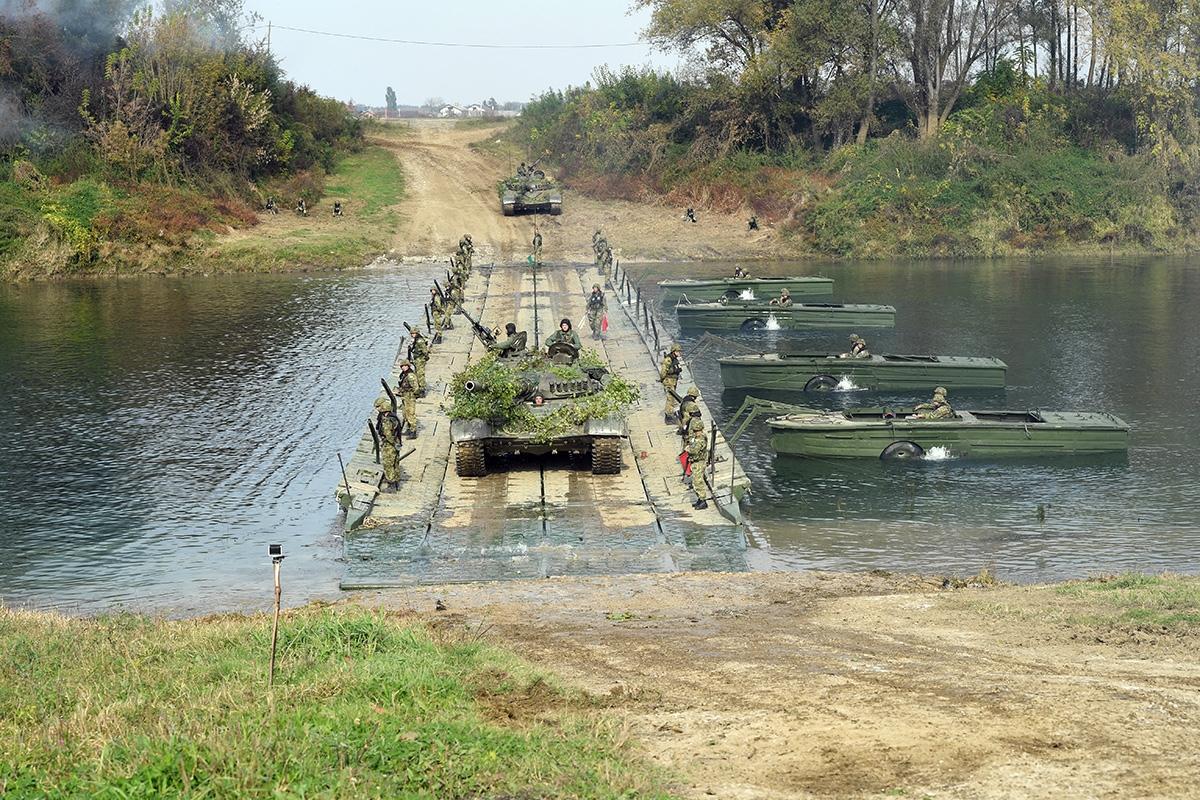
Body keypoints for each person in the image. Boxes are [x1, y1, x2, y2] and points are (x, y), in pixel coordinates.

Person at [373, 396, 403, 492]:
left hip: (390, 444)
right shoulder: (393, 417)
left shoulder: (386, 421)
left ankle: (391, 484)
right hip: (396, 442)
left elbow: (388, 434)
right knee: (395, 462)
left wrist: (393, 444)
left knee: (388, 464)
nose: (378, 409)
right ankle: (396, 480)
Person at [685, 422, 711, 509]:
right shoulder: (701, 436)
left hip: (698, 462)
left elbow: (694, 450)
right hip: (698, 462)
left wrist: (688, 449)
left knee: (698, 482)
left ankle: (703, 500)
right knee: (696, 481)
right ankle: (700, 500)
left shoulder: (699, 439)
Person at [660, 343, 684, 423]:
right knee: (670, 399)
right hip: (669, 381)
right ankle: (668, 417)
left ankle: (669, 414)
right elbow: (663, 371)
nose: (678, 353)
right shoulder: (668, 360)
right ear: (673, 351)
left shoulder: (674, 359)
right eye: (677, 352)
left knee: (672, 399)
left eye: (679, 352)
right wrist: (663, 380)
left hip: (673, 381)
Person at [396, 361, 419, 438]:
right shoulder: (404, 375)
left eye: (405, 366)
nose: (403, 367)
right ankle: (409, 428)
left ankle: (413, 431)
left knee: (410, 414)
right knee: (405, 413)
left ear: (408, 366)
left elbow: (416, 387)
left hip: (410, 396)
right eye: (402, 366)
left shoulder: (410, 375)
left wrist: (415, 395)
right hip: (405, 396)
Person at [409, 327, 430, 396]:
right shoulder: (416, 340)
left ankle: (422, 390)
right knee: (417, 373)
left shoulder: (420, 341)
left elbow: (425, 350)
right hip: (417, 359)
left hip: (420, 359)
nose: (412, 335)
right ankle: (419, 388)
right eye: (411, 334)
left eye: (414, 333)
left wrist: (426, 357)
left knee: (420, 374)